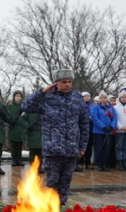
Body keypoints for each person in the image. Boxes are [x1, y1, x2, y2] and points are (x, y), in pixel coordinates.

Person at [22, 68, 89, 205]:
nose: (67, 84)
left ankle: (62, 208)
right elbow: (25, 106)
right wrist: (41, 93)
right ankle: (51, 210)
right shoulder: (47, 98)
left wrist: (82, 146)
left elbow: (83, 124)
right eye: (64, 82)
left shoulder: (77, 98)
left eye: (69, 82)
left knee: (66, 183)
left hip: (71, 149)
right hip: (53, 149)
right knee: (52, 183)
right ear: (56, 83)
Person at [91, 90, 117, 172]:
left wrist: (112, 126)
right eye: (101, 98)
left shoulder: (111, 108)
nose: (103, 99)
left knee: (106, 149)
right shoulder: (96, 107)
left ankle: (104, 164)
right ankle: (99, 164)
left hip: (108, 131)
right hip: (99, 132)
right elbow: (94, 118)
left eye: (105, 97)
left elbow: (115, 117)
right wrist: (103, 127)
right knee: (99, 148)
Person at [7, 90, 27, 167]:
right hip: (13, 128)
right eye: (17, 96)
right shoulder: (10, 106)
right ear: (14, 97)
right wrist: (11, 121)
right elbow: (7, 116)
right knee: (13, 146)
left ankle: (19, 159)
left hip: (21, 129)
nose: (18, 98)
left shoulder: (23, 106)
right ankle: (14, 160)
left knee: (20, 145)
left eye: (19, 96)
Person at [79, 91, 94, 169]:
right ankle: (80, 162)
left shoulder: (92, 106)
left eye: (88, 96)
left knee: (89, 146)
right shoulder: (80, 105)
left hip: (90, 129)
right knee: (81, 145)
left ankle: (87, 162)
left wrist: (91, 117)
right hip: (81, 129)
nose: (87, 97)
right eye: (85, 96)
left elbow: (94, 114)